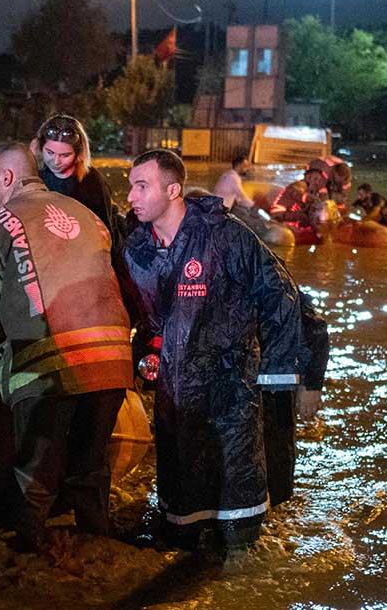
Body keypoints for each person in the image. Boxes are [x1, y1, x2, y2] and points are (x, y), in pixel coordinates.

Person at [121, 149, 305, 552]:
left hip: (231, 391)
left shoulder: (226, 235)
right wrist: (147, 354)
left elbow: (280, 295)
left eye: (141, 186)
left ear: (173, 189)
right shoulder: (137, 249)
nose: (131, 196)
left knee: (237, 520)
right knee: (180, 512)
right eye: (130, 186)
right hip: (175, 393)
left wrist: (280, 378)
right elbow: (149, 319)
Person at [0, 143, 133, 550]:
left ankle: (28, 557)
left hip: (50, 364)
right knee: (90, 469)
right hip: (112, 360)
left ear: (7, 178)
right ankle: (98, 545)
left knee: (35, 473)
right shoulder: (87, 216)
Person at [263, 291, 329, 507]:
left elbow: (314, 328)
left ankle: (279, 508)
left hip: (274, 387)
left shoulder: (260, 265)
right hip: (232, 387)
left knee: (276, 456)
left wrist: (311, 385)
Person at [33, 113, 118, 245]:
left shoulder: (93, 182)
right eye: (50, 152)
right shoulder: (38, 175)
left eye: (65, 155)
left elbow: (105, 231)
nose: (56, 161)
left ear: (79, 153)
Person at [270, 159, 331, 227]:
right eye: (319, 178)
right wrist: (308, 198)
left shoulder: (316, 192)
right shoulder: (299, 186)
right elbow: (297, 193)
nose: (321, 182)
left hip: (294, 228)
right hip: (281, 224)